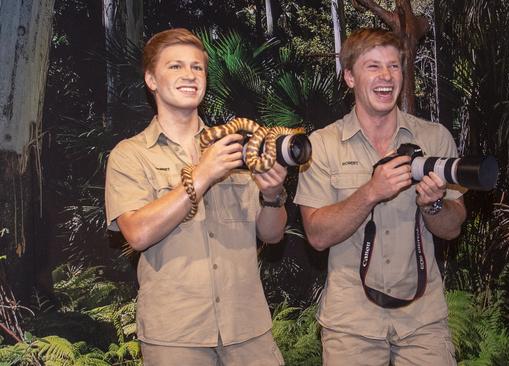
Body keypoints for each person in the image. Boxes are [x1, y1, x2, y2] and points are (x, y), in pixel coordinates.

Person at [104, 28, 286, 365]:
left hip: (248, 330)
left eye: (197, 68)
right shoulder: (130, 155)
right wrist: (202, 174)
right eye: (175, 66)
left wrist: (273, 196)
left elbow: (272, 234)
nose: (189, 75)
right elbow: (138, 233)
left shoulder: (235, 147)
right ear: (151, 79)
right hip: (176, 338)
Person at [294, 28, 467, 365]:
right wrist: (371, 192)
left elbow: (452, 227)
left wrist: (432, 204)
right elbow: (316, 235)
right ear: (349, 77)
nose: (386, 76)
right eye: (372, 66)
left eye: (394, 66)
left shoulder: (434, 138)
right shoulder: (323, 145)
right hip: (351, 325)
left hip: (423, 321)